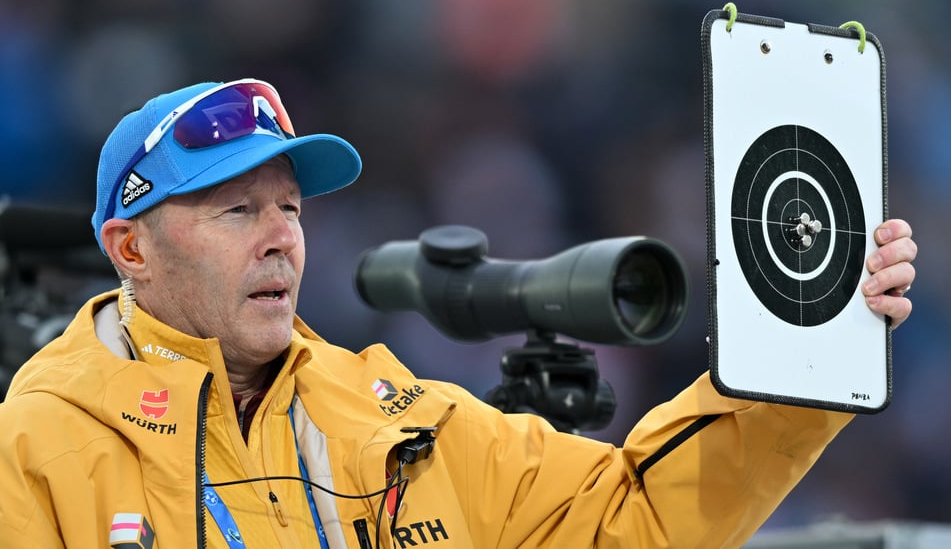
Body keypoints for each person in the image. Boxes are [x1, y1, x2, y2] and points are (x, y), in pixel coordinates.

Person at [0, 79, 916, 549]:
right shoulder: (40, 441)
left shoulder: (393, 413)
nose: (281, 237)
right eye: (237, 210)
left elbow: (630, 515)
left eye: (290, 207)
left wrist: (806, 346)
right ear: (130, 249)